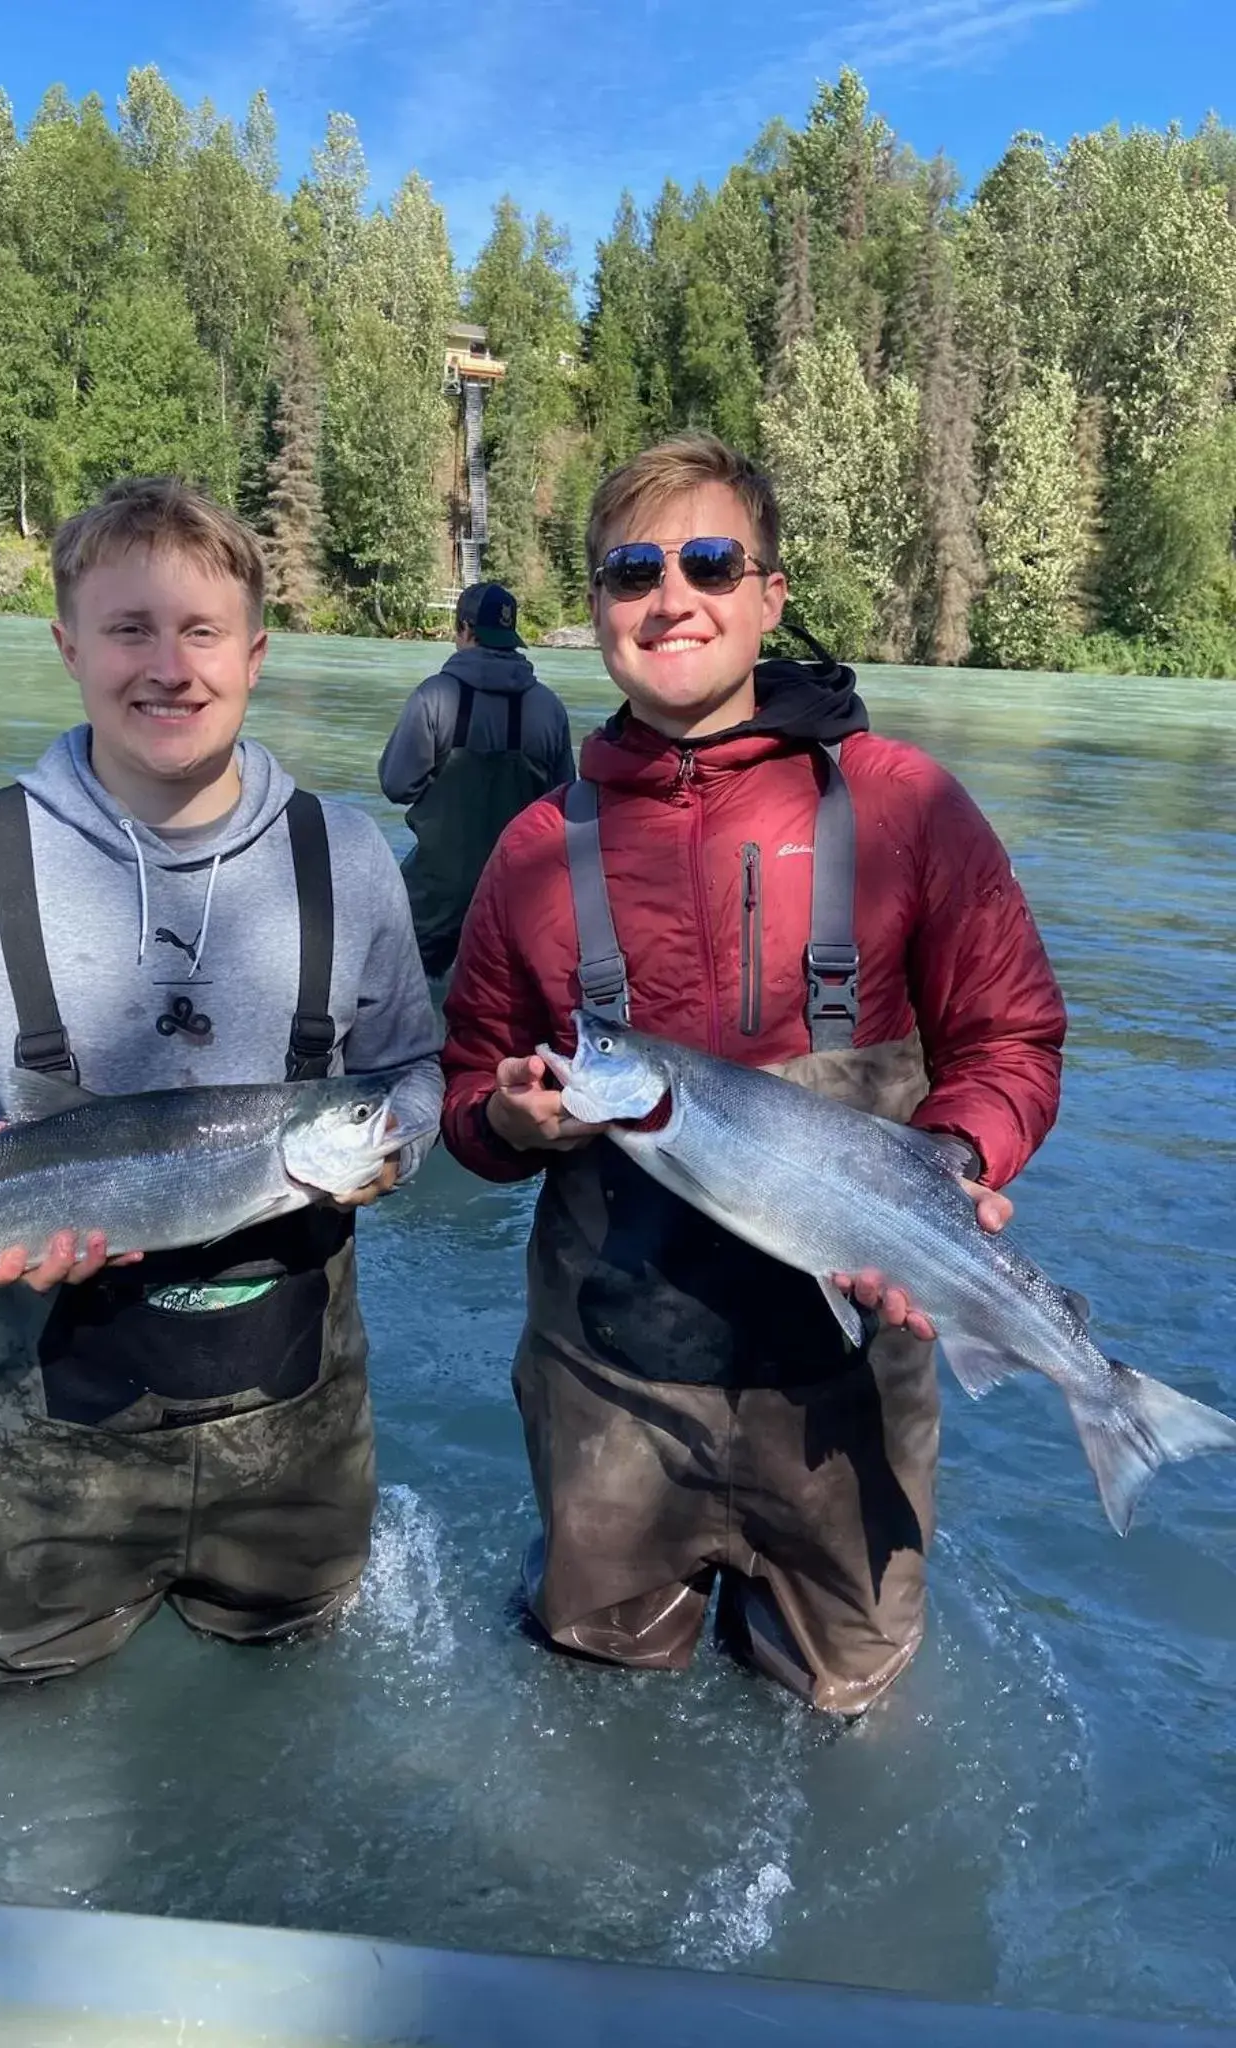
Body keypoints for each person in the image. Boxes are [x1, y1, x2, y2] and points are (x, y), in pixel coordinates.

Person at [440, 434, 1067, 1715]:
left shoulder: (908, 807)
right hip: (607, 1395)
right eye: (631, 570)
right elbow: (462, 1098)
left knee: (850, 1723)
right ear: (599, 610)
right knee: (591, 1720)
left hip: (847, 1394)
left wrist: (943, 1167)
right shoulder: (530, 852)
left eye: (710, 560)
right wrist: (507, 1116)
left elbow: (1012, 1043)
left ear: (770, 593)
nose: (672, 596)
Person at [0, 476, 442, 1685]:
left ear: (255, 653)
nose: (170, 666)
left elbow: (411, 1069)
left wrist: (393, 1143)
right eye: (129, 628)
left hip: (297, 1438)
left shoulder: (347, 857)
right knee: (10, 1749)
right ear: (66, 646)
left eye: (202, 630)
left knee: (292, 1717)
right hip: (31, 1458)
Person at [379, 581, 574, 976]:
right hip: (516, 895)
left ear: (465, 630)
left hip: (435, 896)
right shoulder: (548, 707)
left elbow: (397, 786)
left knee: (406, 997)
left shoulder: (434, 696)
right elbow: (566, 808)